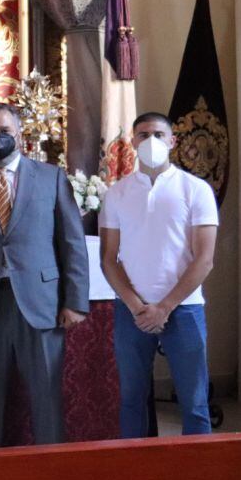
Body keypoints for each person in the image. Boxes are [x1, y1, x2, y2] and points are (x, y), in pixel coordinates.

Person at [0, 102, 88, 448]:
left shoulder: (51, 177)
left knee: (46, 392)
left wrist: (76, 300)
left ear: (19, 134)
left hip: (42, 304)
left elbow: (72, 242)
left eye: (4, 132)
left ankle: (52, 469)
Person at [100, 111, 218, 437]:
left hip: (184, 308)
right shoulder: (117, 194)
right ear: (133, 142)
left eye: (158, 135)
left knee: (194, 401)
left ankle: (199, 470)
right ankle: (135, 472)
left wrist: (164, 307)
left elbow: (204, 259)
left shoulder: (196, 190)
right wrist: (139, 307)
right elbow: (109, 259)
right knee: (132, 399)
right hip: (132, 311)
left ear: (172, 141)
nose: (151, 141)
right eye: (143, 135)